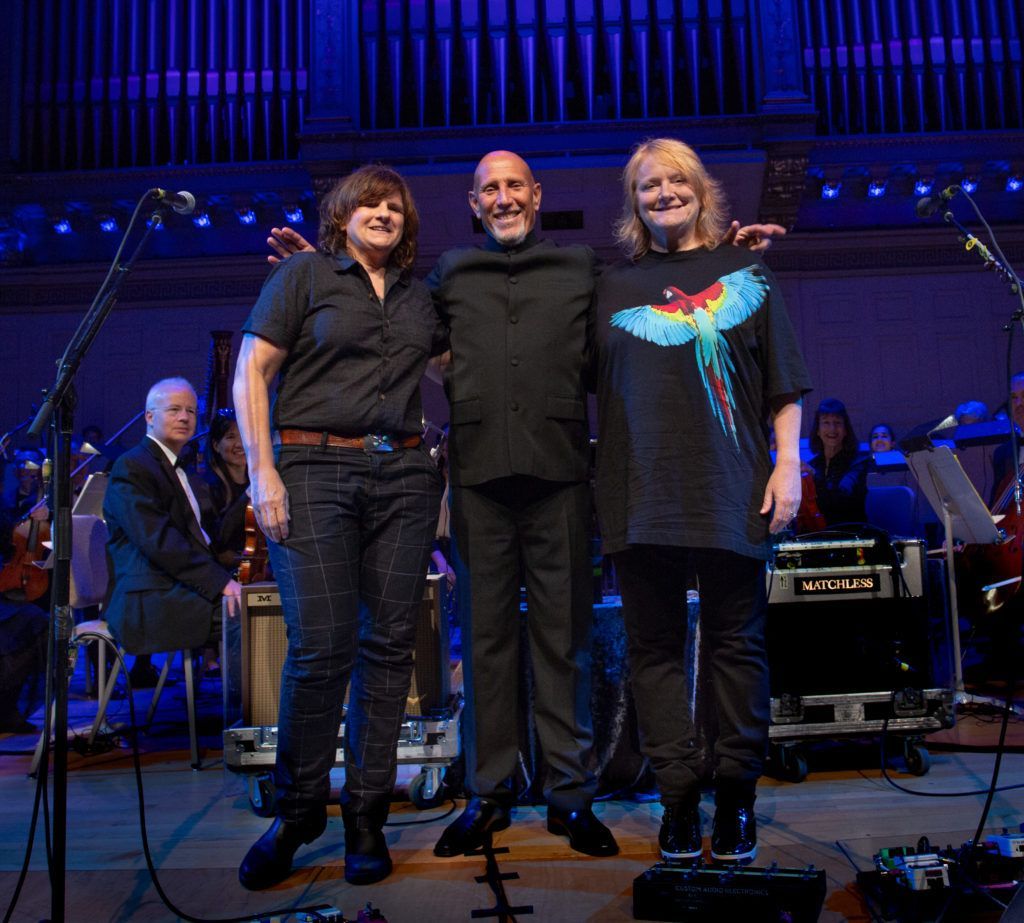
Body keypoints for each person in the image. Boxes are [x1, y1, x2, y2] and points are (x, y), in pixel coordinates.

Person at [265, 153, 785, 861]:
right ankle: (488, 793)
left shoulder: (583, 271)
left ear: (536, 196)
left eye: (515, 186)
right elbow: (383, 311)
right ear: (474, 205)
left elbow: (670, 285)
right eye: (490, 190)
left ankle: (570, 795)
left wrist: (731, 254)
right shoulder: (449, 275)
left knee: (563, 639)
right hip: (479, 478)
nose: (504, 198)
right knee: (484, 643)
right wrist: (327, 268)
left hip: (563, 476)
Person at [593, 137, 810, 864]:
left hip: (731, 484)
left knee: (736, 647)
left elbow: (782, 382)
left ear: (701, 189)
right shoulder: (611, 287)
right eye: (648, 185)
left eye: (675, 180)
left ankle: (736, 798)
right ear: (634, 202)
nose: (663, 193)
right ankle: (679, 801)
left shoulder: (748, 272)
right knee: (652, 651)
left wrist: (789, 464)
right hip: (638, 492)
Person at [233, 165, 446, 890]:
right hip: (313, 470)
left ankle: (365, 814)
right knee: (321, 647)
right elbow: (250, 372)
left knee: (388, 650)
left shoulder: (422, 297)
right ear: (342, 214)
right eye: (369, 203)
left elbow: (459, 366)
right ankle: (297, 812)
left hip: (406, 476)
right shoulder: (303, 277)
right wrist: (262, 474)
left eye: (394, 205)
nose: (382, 212)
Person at [102, 378, 241, 683]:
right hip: (149, 598)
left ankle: (252, 713)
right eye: (174, 409)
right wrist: (219, 582)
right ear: (149, 417)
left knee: (262, 602)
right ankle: (249, 719)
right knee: (250, 617)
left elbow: (202, 538)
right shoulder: (132, 466)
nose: (184, 417)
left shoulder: (179, 469)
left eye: (191, 411)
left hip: (175, 589)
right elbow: (159, 541)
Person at [805, 398, 870, 527]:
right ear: (817, 430)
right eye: (826, 422)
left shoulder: (858, 463)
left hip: (852, 534)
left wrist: (814, 476)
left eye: (838, 423)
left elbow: (840, 500)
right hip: (818, 535)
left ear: (846, 430)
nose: (832, 429)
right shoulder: (813, 464)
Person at [201, 409, 250, 569]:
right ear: (216, 445)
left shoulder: (263, 483)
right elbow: (219, 547)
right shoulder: (206, 489)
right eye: (230, 437)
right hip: (226, 578)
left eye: (244, 434)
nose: (240, 444)